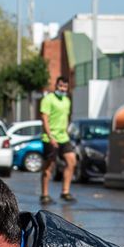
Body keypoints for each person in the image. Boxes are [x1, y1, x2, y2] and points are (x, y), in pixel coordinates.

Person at [38, 75, 76, 205]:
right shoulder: (48, 99)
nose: (62, 89)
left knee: (71, 161)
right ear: (56, 85)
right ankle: (44, 194)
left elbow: (66, 118)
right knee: (49, 166)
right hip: (50, 137)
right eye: (60, 86)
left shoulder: (67, 100)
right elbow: (44, 119)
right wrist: (50, 137)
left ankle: (65, 192)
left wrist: (66, 131)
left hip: (63, 137)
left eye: (65, 86)